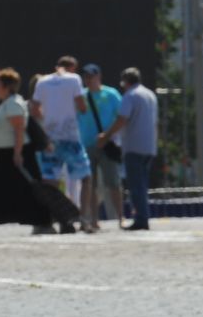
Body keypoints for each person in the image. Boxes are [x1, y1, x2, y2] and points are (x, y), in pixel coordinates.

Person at [0, 68, 47, 231]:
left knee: (24, 189)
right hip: (4, 155)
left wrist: (17, 153)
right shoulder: (7, 104)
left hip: (15, 154)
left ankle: (44, 222)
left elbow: (19, 129)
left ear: (7, 85)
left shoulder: (14, 103)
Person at [93, 67, 158, 230]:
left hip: (134, 146)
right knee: (142, 184)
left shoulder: (130, 96)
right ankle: (143, 216)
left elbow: (122, 119)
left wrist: (105, 136)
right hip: (149, 146)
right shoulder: (149, 94)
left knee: (136, 185)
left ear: (125, 82)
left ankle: (141, 219)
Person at [30, 56, 90, 217]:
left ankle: (54, 218)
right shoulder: (74, 79)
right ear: (72, 67)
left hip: (50, 139)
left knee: (50, 182)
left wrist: (48, 119)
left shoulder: (42, 82)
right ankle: (83, 218)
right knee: (86, 177)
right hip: (70, 138)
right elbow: (82, 106)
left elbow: (34, 109)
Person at [77, 63, 122, 232]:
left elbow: (122, 117)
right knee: (91, 184)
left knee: (113, 183)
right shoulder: (80, 96)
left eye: (91, 76)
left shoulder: (111, 94)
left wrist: (108, 136)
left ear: (99, 77)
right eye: (86, 76)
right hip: (87, 144)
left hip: (107, 144)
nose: (88, 79)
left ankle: (120, 218)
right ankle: (94, 219)